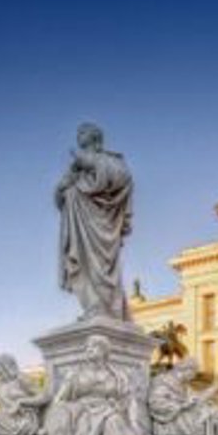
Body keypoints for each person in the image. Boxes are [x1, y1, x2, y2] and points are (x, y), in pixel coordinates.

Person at [43, 336, 142, 435]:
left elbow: (130, 400)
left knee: (114, 422)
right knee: (63, 416)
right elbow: (59, 399)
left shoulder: (117, 375)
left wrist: (134, 422)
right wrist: (50, 419)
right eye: (87, 347)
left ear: (104, 351)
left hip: (106, 409)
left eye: (94, 347)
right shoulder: (75, 374)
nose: (89, 349)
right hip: (79, 410)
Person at [55, 123, 134, 321]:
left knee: (102, 266)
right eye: (78, 132)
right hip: (79, 225)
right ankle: (93, 305)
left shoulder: (108, 159)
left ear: (95, 137)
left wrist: (89, 163)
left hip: (102, 224)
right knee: (82, 264)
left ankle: (106, 308)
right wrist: (61, 189)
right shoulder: (75, 170)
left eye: (84, 131)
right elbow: (60, 198)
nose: (79, 134)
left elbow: (123, 178)